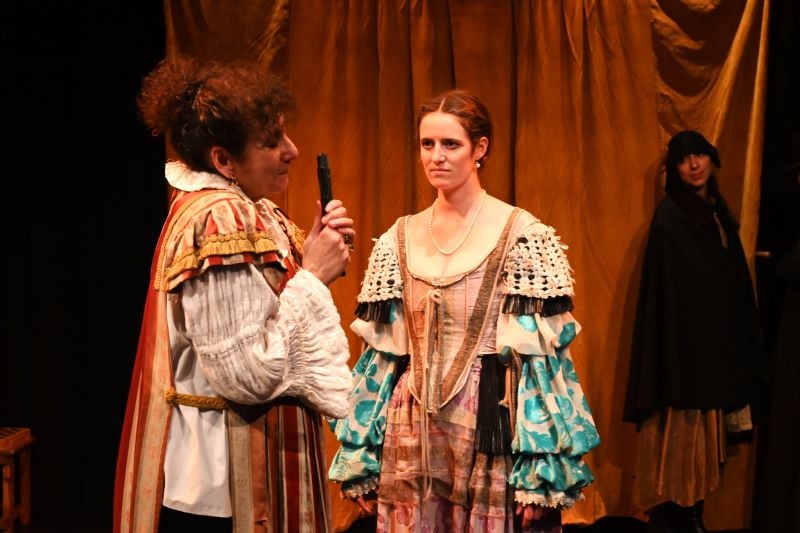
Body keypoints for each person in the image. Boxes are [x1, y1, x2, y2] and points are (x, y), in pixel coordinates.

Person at [328, 89, 600, 532]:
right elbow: (381, 359)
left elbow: (541, 364)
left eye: (450, 144)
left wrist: (541, 469)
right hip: (411, 425)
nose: (436, 156)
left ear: (480, 148)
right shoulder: (398, 238)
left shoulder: (522, 235)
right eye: (427, 143)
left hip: (489, 423)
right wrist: (362, 455)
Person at [113, 56, 355, 533]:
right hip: (220, 486)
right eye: (272, 141)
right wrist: (312, 275)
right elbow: (248, 374)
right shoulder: (221, 216)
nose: (292, 150)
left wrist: (313, 258)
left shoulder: (241, 208)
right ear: (224, 160)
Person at [623, 130, 767, 532]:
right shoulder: (671, 217)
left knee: (704, 437)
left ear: (711, 159)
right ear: (674, 168)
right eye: (685, 159)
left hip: (713, 346)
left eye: (701, 155)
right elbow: (672, 293)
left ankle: (691, 512)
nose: (694, 164)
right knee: (684, 438)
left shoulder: (715, 210)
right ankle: (680, 514)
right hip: (687, 353)